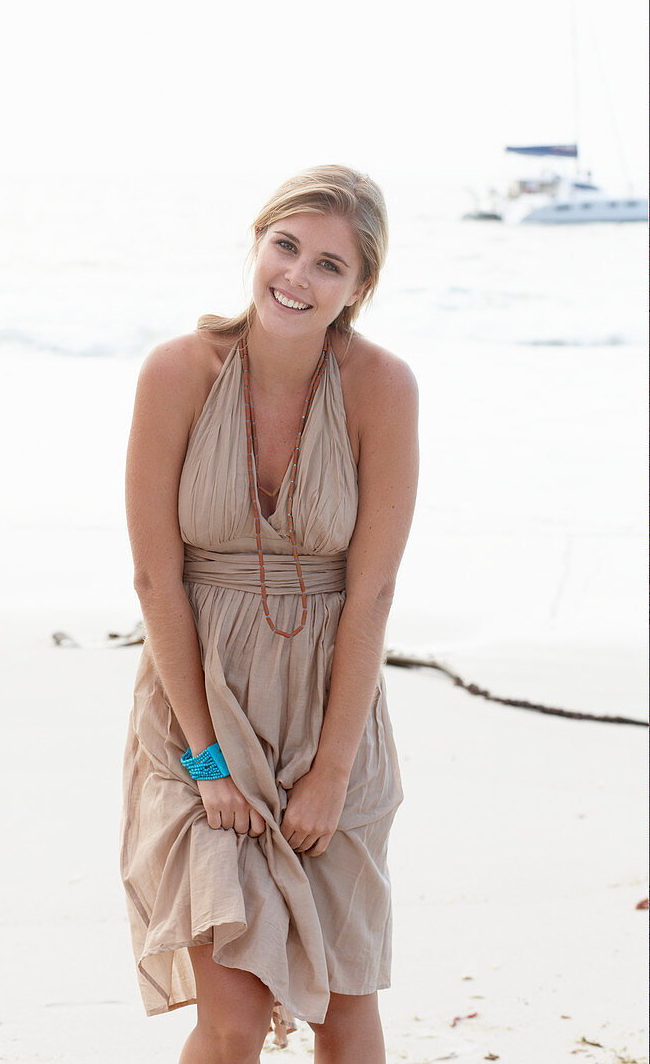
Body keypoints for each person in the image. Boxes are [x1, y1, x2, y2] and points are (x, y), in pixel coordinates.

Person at [120, 164, 419, 1063]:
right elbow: (153, 581)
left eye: (329, 264)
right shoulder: (177, 371)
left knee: (345, 1005)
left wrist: (330, 771)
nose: (297, 275)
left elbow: (369, 592)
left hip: (331, 712)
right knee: (234, 1020)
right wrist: (207, 759)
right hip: (196, 710)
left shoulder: (381, 388)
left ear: (359, 287)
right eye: (285, 246)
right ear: (257, 244)